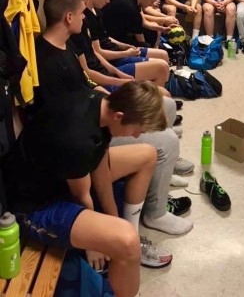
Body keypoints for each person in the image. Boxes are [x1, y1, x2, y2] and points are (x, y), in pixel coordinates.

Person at [36, 0, 193, 241]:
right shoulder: (48, 61)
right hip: (86, 126)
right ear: (68, 17)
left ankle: (163, 172)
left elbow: (86, 82)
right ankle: (156, 212)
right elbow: (66, 118)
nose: (85, 16)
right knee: (167, 140)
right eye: (81, 11)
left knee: (165, 105)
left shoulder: (65, 45)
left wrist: (113, 95)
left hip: (93, 110)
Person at [1, 81, 168, 296]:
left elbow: (101, 170)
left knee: (147, 155)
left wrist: (114, 220)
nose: (135, 135)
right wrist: (95, 243)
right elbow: (82, 196)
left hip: (57, 175)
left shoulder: (100, 103)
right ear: (119, 116)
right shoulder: (77, 141)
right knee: (126, 241)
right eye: (137, 130)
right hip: (31, 205)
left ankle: (131, 239)